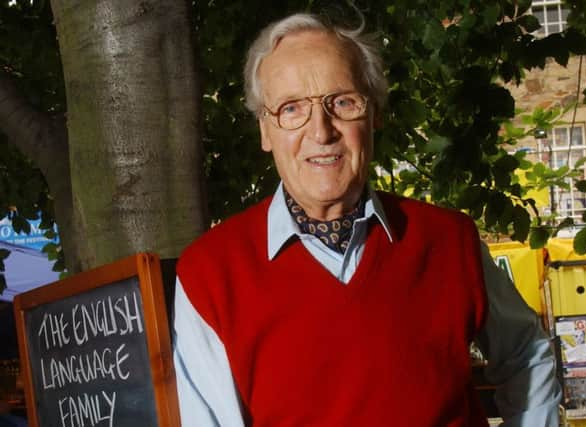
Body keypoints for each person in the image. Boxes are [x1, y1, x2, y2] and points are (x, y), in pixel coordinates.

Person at [173, 12, 561, 427]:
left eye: (342, 102)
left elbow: (527, 355)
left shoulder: (449, 241)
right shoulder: (210, 274)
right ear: (265, 132)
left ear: (374, 114)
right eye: (291, 109)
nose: (321, 131)